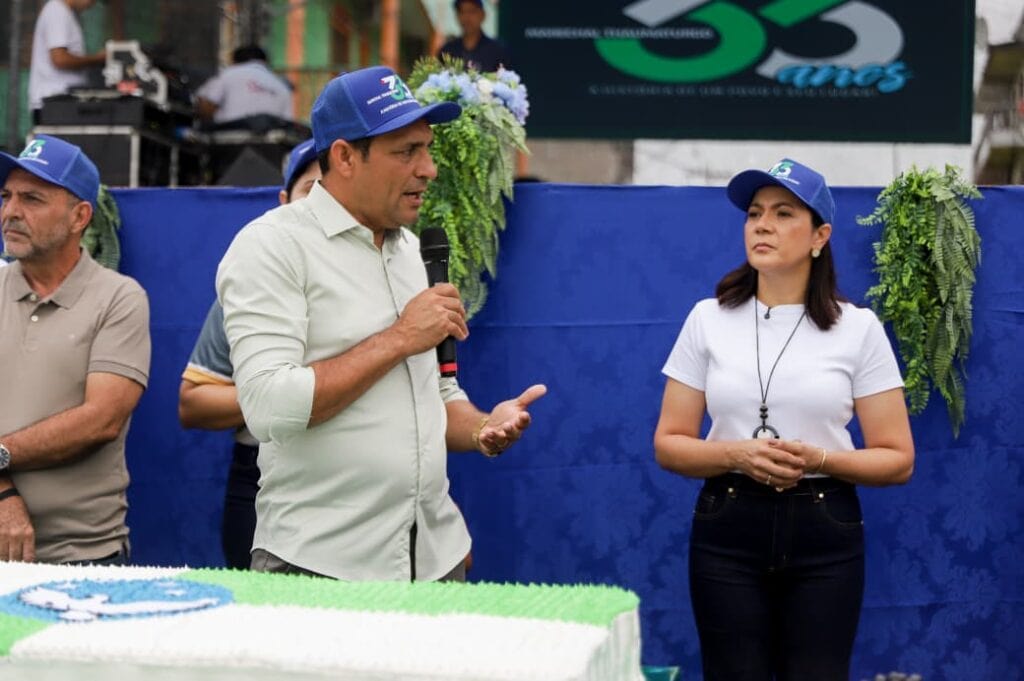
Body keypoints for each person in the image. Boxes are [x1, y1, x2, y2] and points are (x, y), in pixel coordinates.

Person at [216, 65, 546, 581]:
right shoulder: (272, 246)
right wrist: (401, 337)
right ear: (345, 156)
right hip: (322, 567)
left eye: (427, 149)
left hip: (435, 559)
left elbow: (437, 394)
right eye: (406, 152)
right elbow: (268, 407)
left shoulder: (413, 251)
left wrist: (483, 427)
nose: (428, 169)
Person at [653, 159, 915, 680]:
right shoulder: (707, 318)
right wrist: (736, 453)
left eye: (783, 213)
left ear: (820, 236)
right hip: (728, 524)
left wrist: (821, 458)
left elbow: (898, 459)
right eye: (754, 213)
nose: (762, 225)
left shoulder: (858, 328)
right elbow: (669, 443)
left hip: (825, 527)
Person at [0, 135, 151, 564]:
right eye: (6, 196)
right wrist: (4, 493)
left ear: (79, 216)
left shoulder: (119, 298)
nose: (10, 212)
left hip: (84, 553)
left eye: (32, 199)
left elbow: (100, 421)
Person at [178, 138, 320, 569]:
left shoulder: (384, 278)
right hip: (261, 474)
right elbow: (194, 402)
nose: (322, 205)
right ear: (284, 201)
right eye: (310, 189)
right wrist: (287, 393)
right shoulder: (253, 283)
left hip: (365, 479)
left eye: (333, 192)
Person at [27, 0, 107, 122]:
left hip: (62, 104)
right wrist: (97, 59)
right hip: (54, 104)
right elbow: (60, 59)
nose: (92, 4)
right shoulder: (57, 11)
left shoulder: (65, 12)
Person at [195, 45, 292, 124]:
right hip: (269, 139)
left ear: (234, 61)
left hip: (229, 137)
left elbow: (206, 105)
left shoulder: (229, 74)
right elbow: (287, 122)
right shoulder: (281, 85)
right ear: (265, 62)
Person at [438, 0, 511, 72]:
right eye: (462, 12)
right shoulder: (448, 51)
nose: (466, 17)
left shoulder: (497, 51)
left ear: (482, 15)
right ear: (457, 16)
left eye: (471, 11)